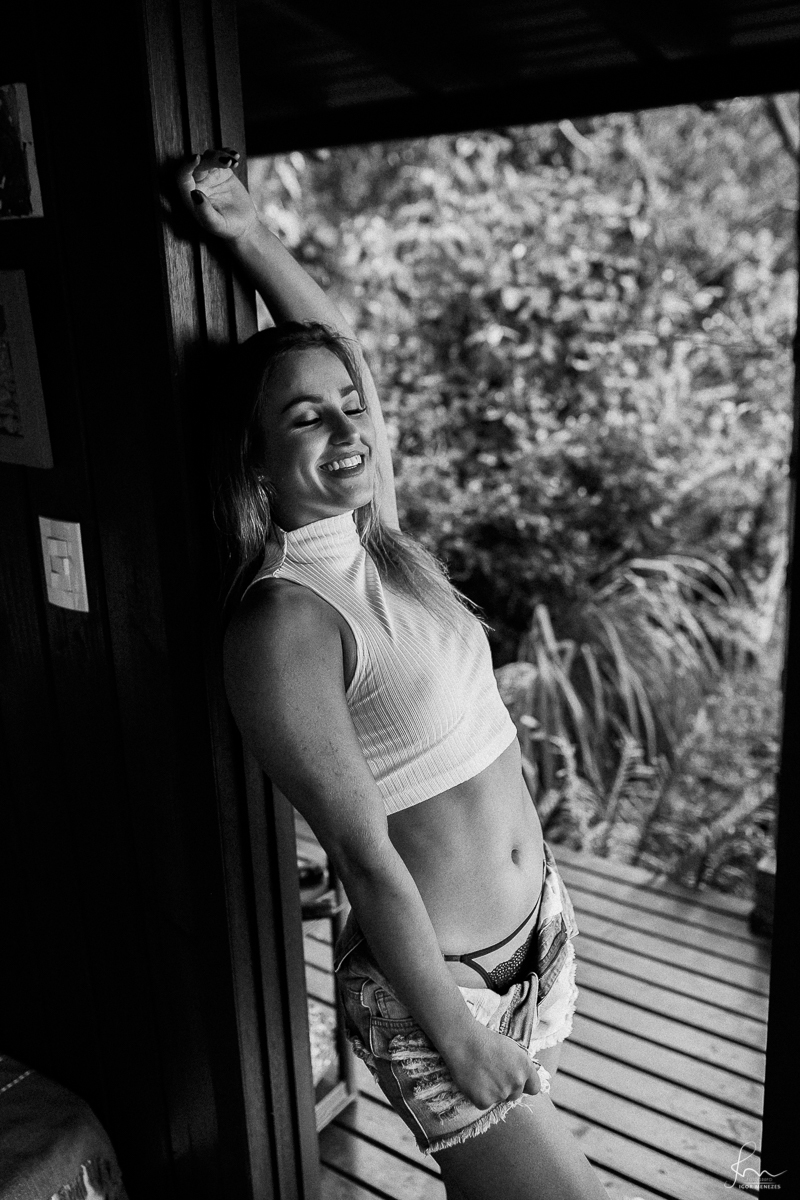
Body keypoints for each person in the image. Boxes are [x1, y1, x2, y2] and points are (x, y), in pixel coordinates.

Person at [179, 148, 608, 1200]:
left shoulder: (384, 545)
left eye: (350, 407)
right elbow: (362, 855)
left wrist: (246, 235)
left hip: (537, 934)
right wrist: (455, 1038)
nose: (347, 427)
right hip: (440, 992)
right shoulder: (284, 622)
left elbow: (348, 353)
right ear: (253, 457)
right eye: (305, 417)